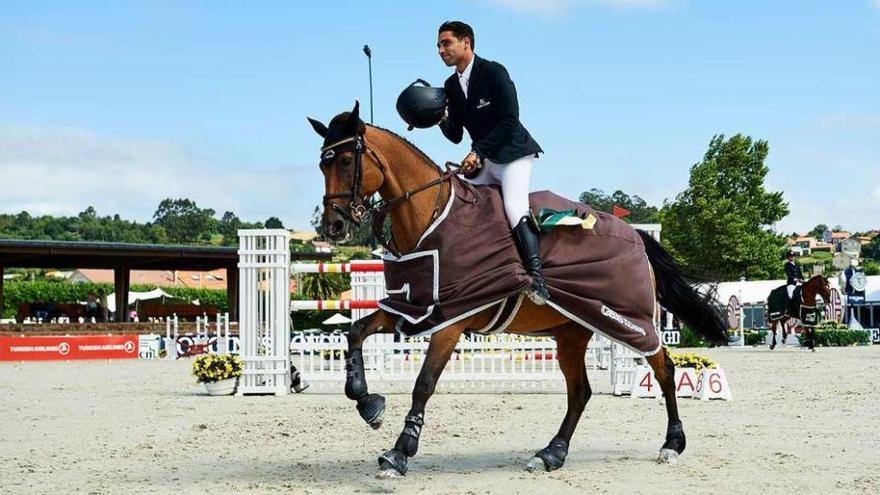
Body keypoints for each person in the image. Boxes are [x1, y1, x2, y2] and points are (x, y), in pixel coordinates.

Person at [435, 20, 549, 304]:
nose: (440, 50)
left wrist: (479, 153)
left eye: (446, 43)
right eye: (438, 45)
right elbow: (456, 134)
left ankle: (536, 278)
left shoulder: (494, 72)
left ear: (466, 43)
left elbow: (510, 121)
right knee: (460, 206)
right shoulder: (451, 84)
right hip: (484, 159)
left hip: (513, 154)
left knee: (513, 206)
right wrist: (436, 117)